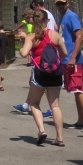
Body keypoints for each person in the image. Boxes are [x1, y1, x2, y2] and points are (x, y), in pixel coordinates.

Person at [18, 13, 67, 146]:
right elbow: (64, 53)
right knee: (55, 105)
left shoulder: (32, 36)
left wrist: (23, 46)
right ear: (46, 20)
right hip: (55, 73)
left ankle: (42, 130)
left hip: (40, 72)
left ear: (33, 21)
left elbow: (23, 53)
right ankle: (59, 138)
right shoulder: (54, 35)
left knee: (34, 103)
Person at [55, 0, 83, 131]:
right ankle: (81, 119)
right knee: (73, 89)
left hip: (73, 60)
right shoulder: (62, 18)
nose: (60, 6)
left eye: (62, 3)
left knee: (78, 89)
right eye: (58, 4)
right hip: (65, 59)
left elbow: (79, 37)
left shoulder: (71, 16)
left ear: (68, 3)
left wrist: (73, 57)